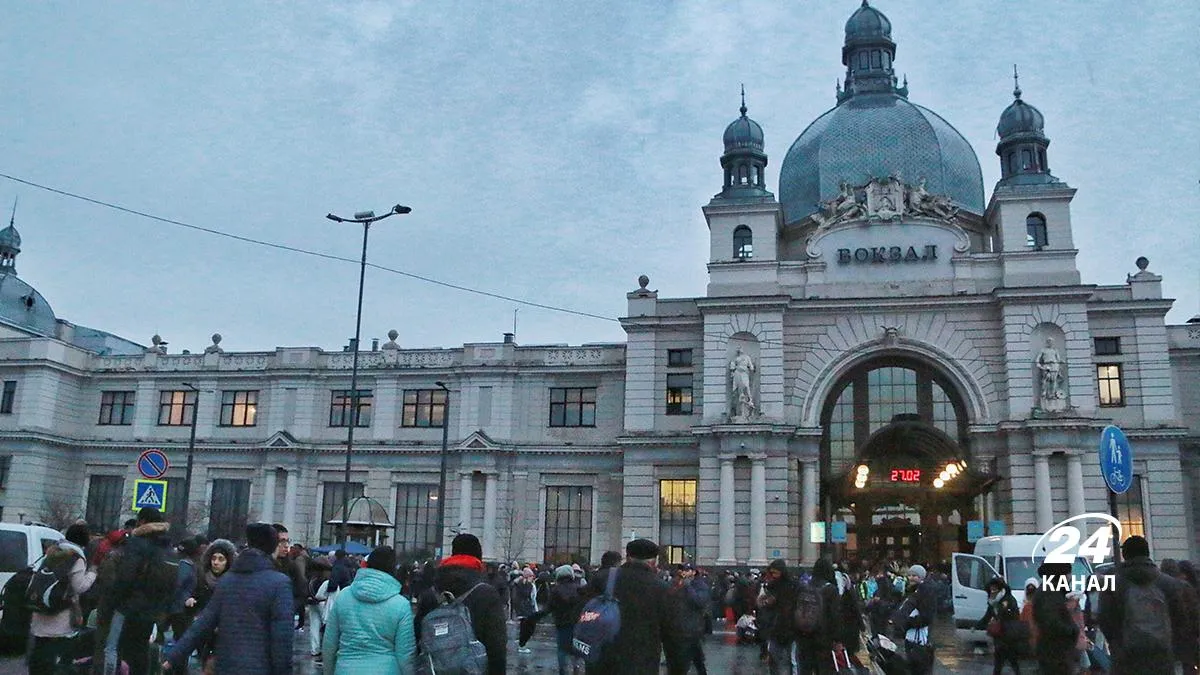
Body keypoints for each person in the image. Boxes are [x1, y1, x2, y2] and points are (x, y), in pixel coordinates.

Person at [162, 523, 294, 675]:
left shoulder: (228, 581)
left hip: (226, 666)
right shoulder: (280, 583)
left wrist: (173, 657)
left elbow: (203, 624)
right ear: (272, 547)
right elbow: (282, 639)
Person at [1099, 536, 1197, 675]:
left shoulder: (1112, 585)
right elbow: (1180, 620)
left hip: (1126, 657)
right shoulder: (1169, 584)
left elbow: (1105, 621)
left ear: (1124, 555)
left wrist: (1116, 645)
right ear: (1147, 553)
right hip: (1162, 656)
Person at [581, 538, 679, 675]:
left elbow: (583, 609)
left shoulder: (603, 578)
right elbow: (671, 634)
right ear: (653, 562)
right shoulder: (662, 588)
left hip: (602, 658)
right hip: (642, 662)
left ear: (627, 557)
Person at [414, 533, 507, 675]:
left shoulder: (431, 593)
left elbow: (418, 638)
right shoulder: (487, 593)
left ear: (453, 554)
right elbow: (497, 648)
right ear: (478, 557)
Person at [105, 507, 176, 675]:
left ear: (142, 521)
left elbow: (126, 577)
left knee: (115, 648)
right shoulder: (166, 546)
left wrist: (114, 602)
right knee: (141, 651)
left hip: (130, 607)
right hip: (153, 609)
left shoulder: (137, 543)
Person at [322, 546, 415, 675]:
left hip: (346, 668)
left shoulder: (344, 596)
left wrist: (329, 672)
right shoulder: (401, 605)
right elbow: (405, 654)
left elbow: (329, 644)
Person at [27, 523, 96, 675]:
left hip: (40, 609)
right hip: (60, 614)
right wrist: (92, 574)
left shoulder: (51, 553)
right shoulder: (76, 558)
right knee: (56, 657)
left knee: (39, 652)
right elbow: (79, 587)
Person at [183, 538, 235, 671]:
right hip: (204, 634)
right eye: (214, 558)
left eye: (221, 559)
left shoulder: (233, 583)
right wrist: (190, 602)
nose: (216, 562)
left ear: (228, 562)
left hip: (225, 636)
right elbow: (195, 600)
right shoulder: (202, 578)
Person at [793, 558, 840, 675]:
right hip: (823, 638)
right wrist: (837, 639)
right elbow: (835, 616)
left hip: (803, 636)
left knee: (804, 669)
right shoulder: (831, 590)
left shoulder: (803, 587)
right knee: (823, 669)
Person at [1031, 562, 1079, 675]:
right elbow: (1052, 622)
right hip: (1055, 652)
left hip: (1055, 651)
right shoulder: (1049, 593)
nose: (1070, 577)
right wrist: (1072, 630)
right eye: (1068, 573)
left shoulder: (1052, 591)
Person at [666, 562, 710, 675]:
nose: (683, 572)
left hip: (692, 629)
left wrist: (688, 587)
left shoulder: (700, 585)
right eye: (682, 570)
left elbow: (699, 602)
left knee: (693, 660)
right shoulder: (676, 584)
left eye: (687, 570)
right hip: (678, 629)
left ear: (694, 572)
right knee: (683, 661)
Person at [973, 577, 1024, 675]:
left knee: (1012, 660)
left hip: (1009, 635)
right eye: (991, 589)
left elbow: (1011, 615)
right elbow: (987, 617)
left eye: (994, 589)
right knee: (998, 662)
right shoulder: (993, 603)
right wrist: (976, 626)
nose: (992, 591)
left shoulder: (1008, 599)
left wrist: (1000, 609)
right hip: (999, 636)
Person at [894, 564, 936, 675]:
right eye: (910, 575)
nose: (911, 578)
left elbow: (926, 617)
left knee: (919, 669)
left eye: (915, 576)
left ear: (921, 577)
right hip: (911, 639)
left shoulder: (924, 592)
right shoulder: (913, 591)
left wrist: (906, 623)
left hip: (918, 641)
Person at [756, 559, 796, 675]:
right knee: (774, 660)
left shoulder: (792, 587)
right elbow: (760, 603)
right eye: (771, 573)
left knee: (791, 661)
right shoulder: (770, 587)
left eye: (775, 573)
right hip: (775, 628)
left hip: (789, 628)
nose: (773, 576)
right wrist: (766, 601)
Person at [548, 564, 583, 675]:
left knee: (562, 649)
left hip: (561, 623)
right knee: (576, 648)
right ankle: (576, 668)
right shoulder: (579, 588)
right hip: (577, 623)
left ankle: (563, 670)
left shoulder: (555, 590)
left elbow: (550, 606)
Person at [271, 524, 307, 630]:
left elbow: (302, 593)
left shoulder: (291, 566)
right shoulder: (261, 563)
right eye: (282, 541)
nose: (286, 545)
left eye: (287, 541)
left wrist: (288, 609)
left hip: (282, 621)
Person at [168, 536, 202, 641]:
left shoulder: (184, 565)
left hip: (180, 607)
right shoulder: (186, 565)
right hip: (181, 608)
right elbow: (178, 585)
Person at [511, 567, 540, 654]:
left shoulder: (517, 584)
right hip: (528, 610)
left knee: (523, 627)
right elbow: (533, 599)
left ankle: (521, 644)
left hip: (520, 609)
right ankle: (522, 645)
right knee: (528, 628)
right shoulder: (530, 586)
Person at [306, 565, 331, 662]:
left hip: (312, 603)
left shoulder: (312, 580)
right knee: (326, 626)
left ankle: (314, 649)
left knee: (314, 627)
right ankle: (326, 649)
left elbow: (308, 591)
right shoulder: (326, 581)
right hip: (323, 603)